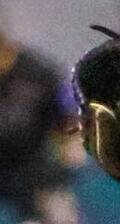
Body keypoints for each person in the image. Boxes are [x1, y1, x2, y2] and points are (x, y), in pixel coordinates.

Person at [0, 17, 80, 224]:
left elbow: (70, 118)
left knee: (60, 216)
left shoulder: (39, 73)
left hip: (35, 168)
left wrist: (71, 150)